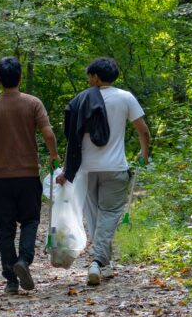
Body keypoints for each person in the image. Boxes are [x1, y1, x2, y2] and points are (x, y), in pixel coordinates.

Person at [56, 57, 150, 286]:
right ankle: (98, 261)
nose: (89, 80)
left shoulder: (81, 100)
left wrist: (68, 170)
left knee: (96, 217)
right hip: (116, 168)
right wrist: (144, 153)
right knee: (108, 216)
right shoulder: (126, 98)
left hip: (87, 170)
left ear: (96, 77)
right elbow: (143, 131)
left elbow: (72, 139)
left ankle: (102, 263)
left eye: (90, 76)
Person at [0, 57, 59, 294]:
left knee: (4, 228)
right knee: (31, 220)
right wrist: (53, 156)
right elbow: (48, 134)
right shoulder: (33, 104)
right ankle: (24, 260)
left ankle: (11, 279)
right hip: (28, 174)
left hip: (1, 178)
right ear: (20, 77)